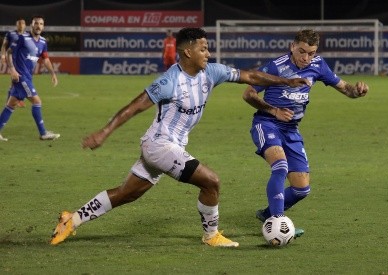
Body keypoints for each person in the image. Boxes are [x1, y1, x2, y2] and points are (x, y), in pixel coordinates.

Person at [50, 27, 309, 247]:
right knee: (212, 182)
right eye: (203, 49)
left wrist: (284, 82)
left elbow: (249, 76)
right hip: (159, 145)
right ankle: (211, 235)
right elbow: (134, 106)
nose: (208, 53)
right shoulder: (169, 81)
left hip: (169, 146)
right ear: (188, 52)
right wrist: (103, 132)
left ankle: (71, 219)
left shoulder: (212, 72)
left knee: (127, 194)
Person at [242, 29, 369, 238]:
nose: (306, 58)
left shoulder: (318, 65)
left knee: (301, 189)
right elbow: (248, 93)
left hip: (291, 131)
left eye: (311, 53)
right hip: (267, 124)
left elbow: (346, 88)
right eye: (302, 51)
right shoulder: (276, 66)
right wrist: (274, 110)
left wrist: (358, 90)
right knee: (280, 166)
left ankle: (267, 214)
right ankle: (278, 222)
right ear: (293, 46)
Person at [0, 15, 59, 142]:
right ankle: (43, 133)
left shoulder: (43, 42)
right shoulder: (23, 38)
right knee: (37, 102)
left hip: (27, 77)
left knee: (11, 105)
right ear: (31, 25)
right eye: (36, 23)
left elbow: (46, 59)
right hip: (21, 77)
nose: (38, 26)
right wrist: (12, 70)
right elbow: (9, 52)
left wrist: (52, 74)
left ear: (43, 27)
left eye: (41, 24)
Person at [1, 17, 27, 108]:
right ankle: (11, 101)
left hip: (23, 61)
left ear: (25, 25)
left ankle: (17, 100)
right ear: (16, 25)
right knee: (15, 80)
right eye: (19, 23)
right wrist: (3, 55)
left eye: (22, 23)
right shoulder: (10, 33)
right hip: (12, 60)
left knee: (22, 80)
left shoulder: (27, 35)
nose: (21, 25)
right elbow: (4, 45)